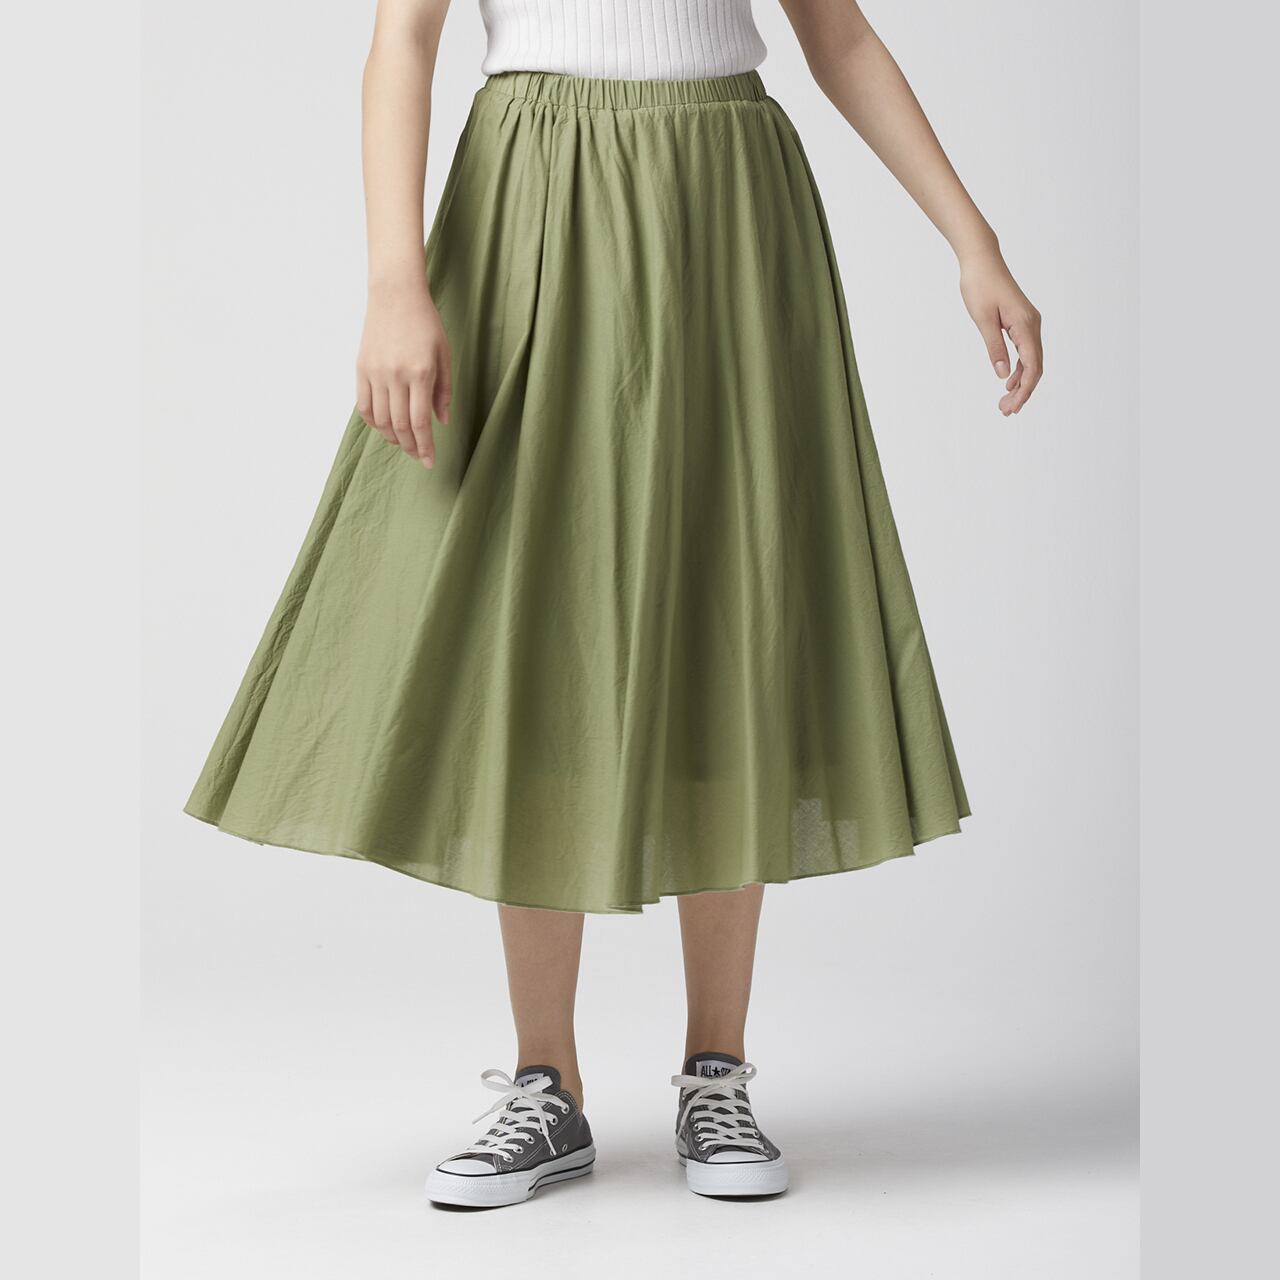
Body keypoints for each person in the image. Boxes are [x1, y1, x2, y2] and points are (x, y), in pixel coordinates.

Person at [185, 0, 1042, 1208]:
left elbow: (836, 34)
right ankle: (545, 1082)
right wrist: (393, 279)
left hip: (727, 203)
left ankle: (715, 1069)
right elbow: (403, 40)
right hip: (535, 192)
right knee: (538, 624)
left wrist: (972, 241)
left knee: (727, 607)